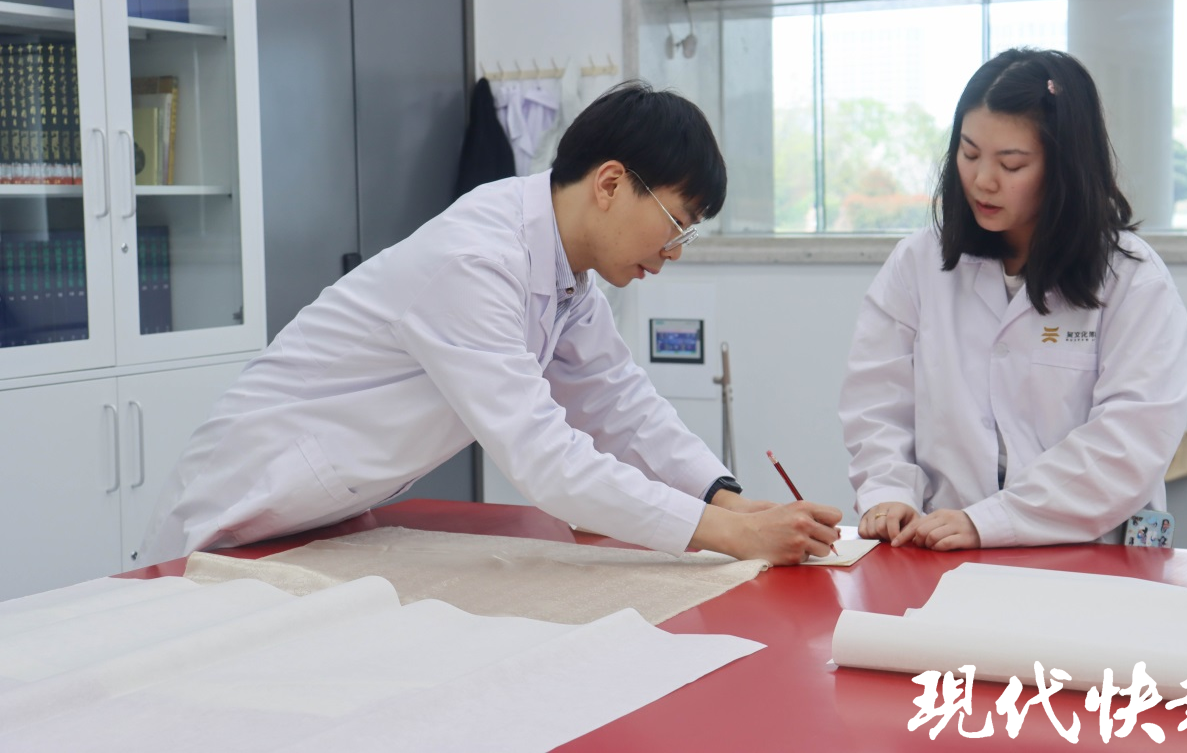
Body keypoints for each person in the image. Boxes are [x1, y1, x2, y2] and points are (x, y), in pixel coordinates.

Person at [142, 82, 842, 565]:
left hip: (320, 517)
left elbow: (620, 404)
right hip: (240, 509)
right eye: (674, 224)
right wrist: (725, 535)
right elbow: (545, 459)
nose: (673, 252)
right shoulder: (475, 261)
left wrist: (727, 501)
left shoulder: (568, 279)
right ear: (609, 184)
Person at [839, 48, 1187, 551]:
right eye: (969, 154)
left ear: (1064, 166)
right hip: (942, 546)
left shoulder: (1132, 279)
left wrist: (994, 520)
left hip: (1091, 550)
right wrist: (889, 492)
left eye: (1011, 164)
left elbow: (1130, 441)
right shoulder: (918, 263)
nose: (983, 180)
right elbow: (878, 401)